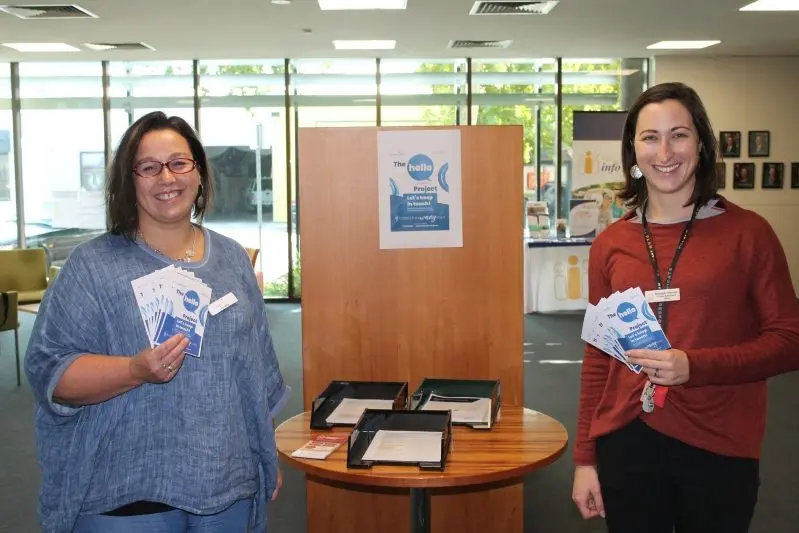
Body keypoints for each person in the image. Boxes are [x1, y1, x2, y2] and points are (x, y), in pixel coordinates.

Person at [24, 111, 290, 533]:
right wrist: (134, 370)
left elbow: (254, 371)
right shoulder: (92, 266)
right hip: (127, 491)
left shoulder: (232, 259)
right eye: (148, 167)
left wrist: (265, 451)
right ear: (130, 182)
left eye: (179, 163)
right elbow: (49, 372)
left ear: (199, 173)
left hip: (225, 485)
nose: (167, 177)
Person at [570, 82, 799, 533]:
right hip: (626, 440)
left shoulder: (748, 234)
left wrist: (695, 366)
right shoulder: (611, 243)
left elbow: (789, 340)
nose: (664, 151)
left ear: (701, 144)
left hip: (718, 443)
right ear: (632, 150)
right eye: (649, 137)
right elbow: (599, 356)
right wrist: (585, 458)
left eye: (679, 134)